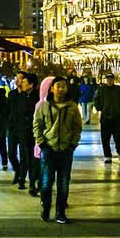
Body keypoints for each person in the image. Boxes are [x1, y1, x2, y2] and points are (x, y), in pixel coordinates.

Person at [34, 76, 82, 223]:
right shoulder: (44, 105)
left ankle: (60, 212)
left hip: (66, 150)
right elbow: (37, 125)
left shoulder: (72, 107)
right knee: (47, 182)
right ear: (52, 88)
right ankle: (46, 207)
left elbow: (77, 127)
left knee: (64, 183)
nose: (61, 89)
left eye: (63, 86)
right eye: (58, 86)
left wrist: (73, 144)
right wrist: (41, 143)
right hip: (48, 148)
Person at [7, 71, 41, 195]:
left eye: (24, 81)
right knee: (25, 157)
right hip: (22, 132)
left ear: (31, 84)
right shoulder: (18, 96)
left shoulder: (38, 97)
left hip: (35, 133)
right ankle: (24, 178)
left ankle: (32, 182)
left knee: (33, 159)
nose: (21, 82)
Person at [93, 73, 120, 163]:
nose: (110, 81)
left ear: (113, 80)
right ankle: (107, 155)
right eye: (108, 79)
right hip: (105, 116)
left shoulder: (118, 89)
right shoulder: (101, 89)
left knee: (118, 136)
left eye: (111, 79)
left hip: (116, 116)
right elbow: (96, 99)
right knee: (105, 137)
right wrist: (99, 108)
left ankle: (119, 151)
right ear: (106, 80)